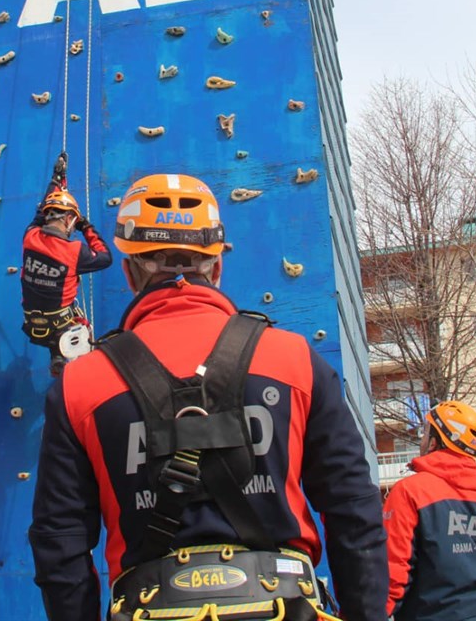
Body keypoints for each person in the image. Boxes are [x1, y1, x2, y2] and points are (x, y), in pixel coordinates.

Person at [29, 173, 388, 621]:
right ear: (216, 267)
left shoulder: (81, 384)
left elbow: (59, 542)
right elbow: (354, 509)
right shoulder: (295, 361)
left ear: (129, 270)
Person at [383, 400, 476, 620]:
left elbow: (392, 569)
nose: (421, 439)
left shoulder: (410, 493)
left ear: (435, 442)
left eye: (425, 432)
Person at [21, 152, 112, 377]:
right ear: (70, 220)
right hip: (62, 326)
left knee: (52, 304)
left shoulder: (29, 237)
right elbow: (105, 257)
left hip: (34, 326)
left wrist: (56, 179)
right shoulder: (74, 251)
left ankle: (57, 356)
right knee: (77, 327)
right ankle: (74, 372)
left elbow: (40, 213)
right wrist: (86, 226)